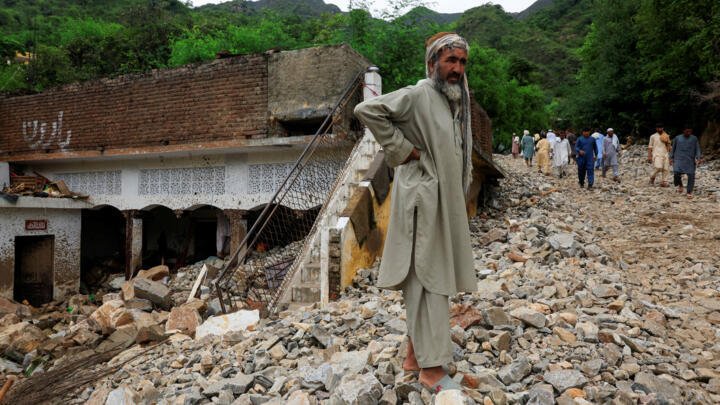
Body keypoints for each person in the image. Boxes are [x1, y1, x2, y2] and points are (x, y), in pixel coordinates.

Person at [354, 32, 476, 393]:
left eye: (462, 62)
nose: (456, 68)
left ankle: (412, 357)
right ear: (432, 63)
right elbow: (368, 110)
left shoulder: (452, 102)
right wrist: (404, 149)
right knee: (430, 279)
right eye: (450, 60)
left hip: (440, 200)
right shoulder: (421, 93)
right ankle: (432, 369)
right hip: (424, 199)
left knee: (428, 276)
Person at [670, 124, 703, 199]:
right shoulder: (677, 138)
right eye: (687, 131)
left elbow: (697, 148)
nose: (689, 133)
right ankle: (680, 184)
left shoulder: (694, 138)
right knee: (676, 173)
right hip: (678, 159)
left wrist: (699, 157)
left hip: (690, 159)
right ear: (683, 131)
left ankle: (689, 192)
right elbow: (673, 148)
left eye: (690, 131)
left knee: (691, 175)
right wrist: (671, 157)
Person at [648, 122, 671, 187]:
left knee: (666, 169)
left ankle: (664, 182)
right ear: (656, 128)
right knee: (658, 167)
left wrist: (671, 154)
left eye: (661, 127)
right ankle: (652, 177)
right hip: (656, 153)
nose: (659, 129)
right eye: (658, 128)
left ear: (663, 128)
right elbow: (650, 147)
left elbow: (669, 145)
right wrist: (649, 156)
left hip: (665, 153)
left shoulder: (666, 136)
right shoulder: (653, 136)